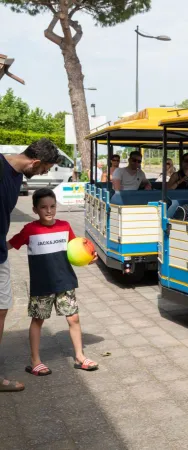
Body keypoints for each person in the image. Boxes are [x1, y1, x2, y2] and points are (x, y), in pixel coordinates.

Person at [8, 188, 98, 376]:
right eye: (43, 207)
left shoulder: (65, 226)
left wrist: (89, 257)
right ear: (35, 210)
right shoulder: (30, 230)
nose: (49, 211)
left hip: (65, 282)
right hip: (42, 285)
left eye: (52, 206)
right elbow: (10, 244)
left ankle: (80, 357)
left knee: (73, 318)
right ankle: (35, 361)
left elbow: (76, 250)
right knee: (38, 320)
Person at [0, 139, 60, 392]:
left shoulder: (16, 178)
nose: (44, 173)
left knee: (2, 309)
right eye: (44, 168)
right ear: (35, 162)